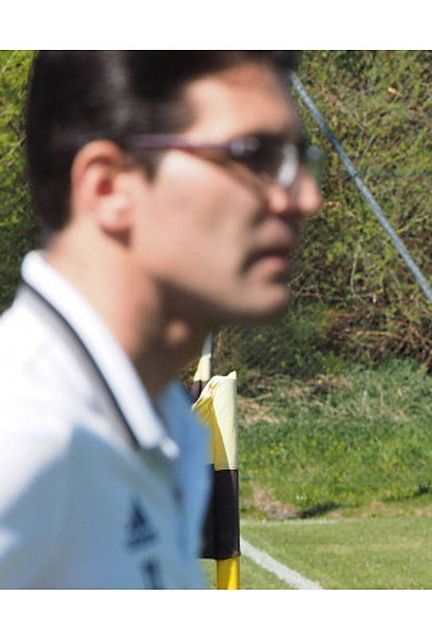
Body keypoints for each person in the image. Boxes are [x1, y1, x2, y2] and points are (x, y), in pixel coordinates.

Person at [0, 51, 321, 588]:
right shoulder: (24, 437)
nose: (305, 197)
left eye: (299, 157)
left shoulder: (169, 425)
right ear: (110, 186)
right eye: (255, 156)